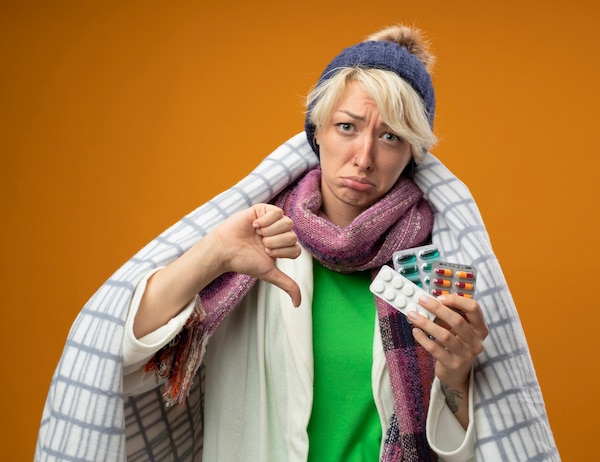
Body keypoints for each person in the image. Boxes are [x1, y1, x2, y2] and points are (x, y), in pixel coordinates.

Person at [35, 25, 560, 462]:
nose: (363, 157)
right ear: (316, 131)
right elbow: (123, 358)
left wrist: (456, 374)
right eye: (347, 127)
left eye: (391, 136)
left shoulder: (433, 270)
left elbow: (459, 452)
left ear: (413, 153)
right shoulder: (256, 246)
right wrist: (211, 254)